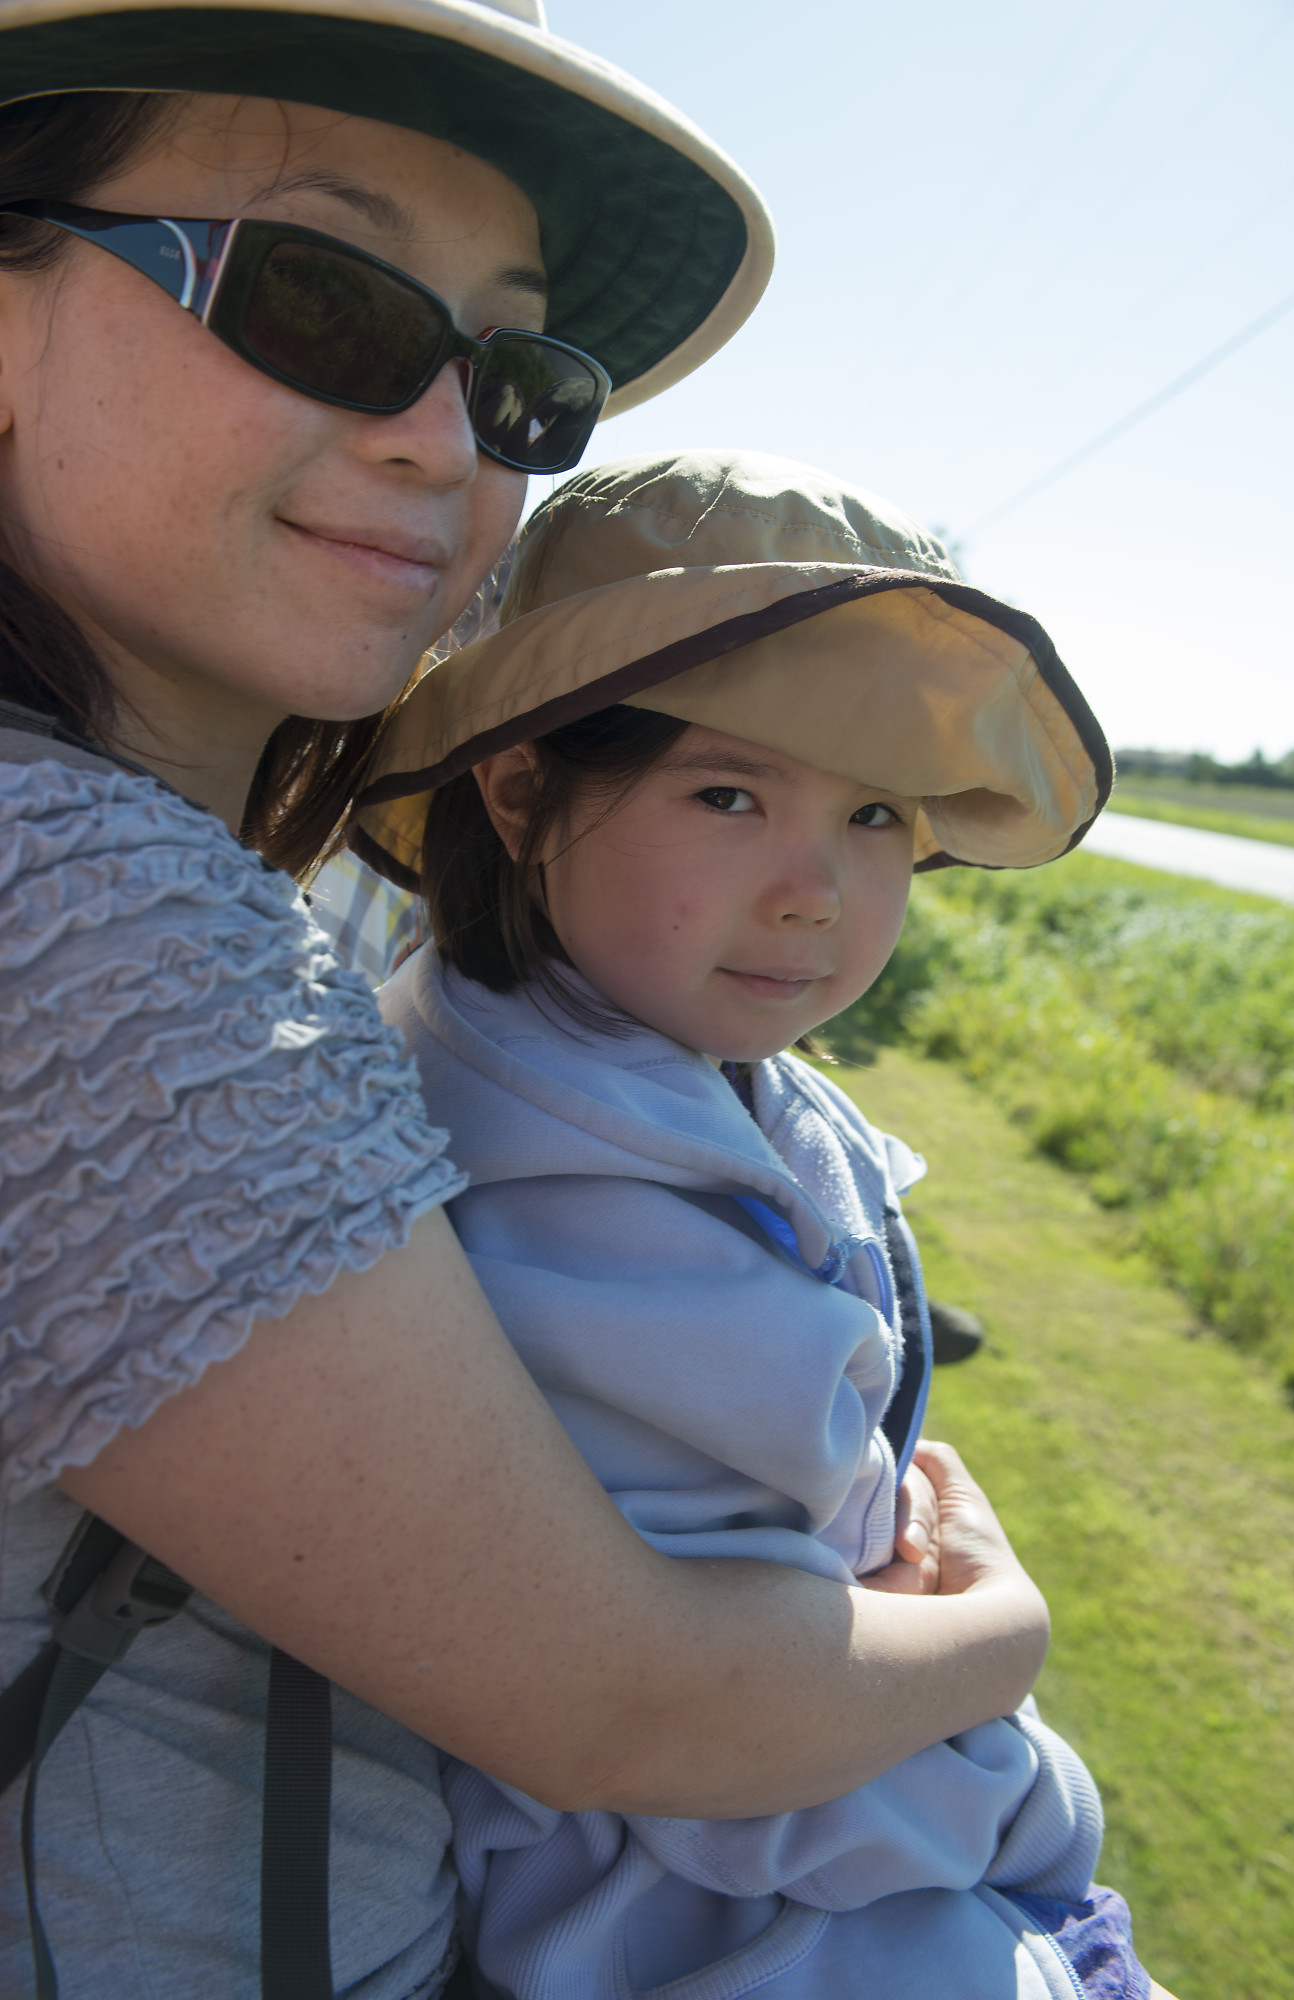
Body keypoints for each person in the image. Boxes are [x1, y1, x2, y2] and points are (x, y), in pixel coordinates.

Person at [0, 14, 1061, 1999]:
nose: (448, 439)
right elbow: (632, 1706)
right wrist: (1003, 1630)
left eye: (518, 379)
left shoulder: (148, 875)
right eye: (318, 298)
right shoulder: (80, 903)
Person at [354, 450, 1171, 1999]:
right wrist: (1012, 1737)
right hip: (760, 1927)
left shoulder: (609, 1070)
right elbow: (715, 1730)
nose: (817, 892)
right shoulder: (576, 1209)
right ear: (521, 790)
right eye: (730, 795)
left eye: (874, 814)